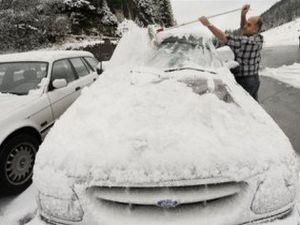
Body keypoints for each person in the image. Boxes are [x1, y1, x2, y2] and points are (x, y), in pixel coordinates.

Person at [199, 4, 264, 101]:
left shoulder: (249, 42)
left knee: (242, 107)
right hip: (253, 79)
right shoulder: (257, 38)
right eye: (246, 23)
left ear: (256, 29)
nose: (245, 25)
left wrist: (208, 24)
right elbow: (244, 28)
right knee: (253, 104)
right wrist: (243, 16)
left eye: (249, 24)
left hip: (246, 81)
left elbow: (224, 38)